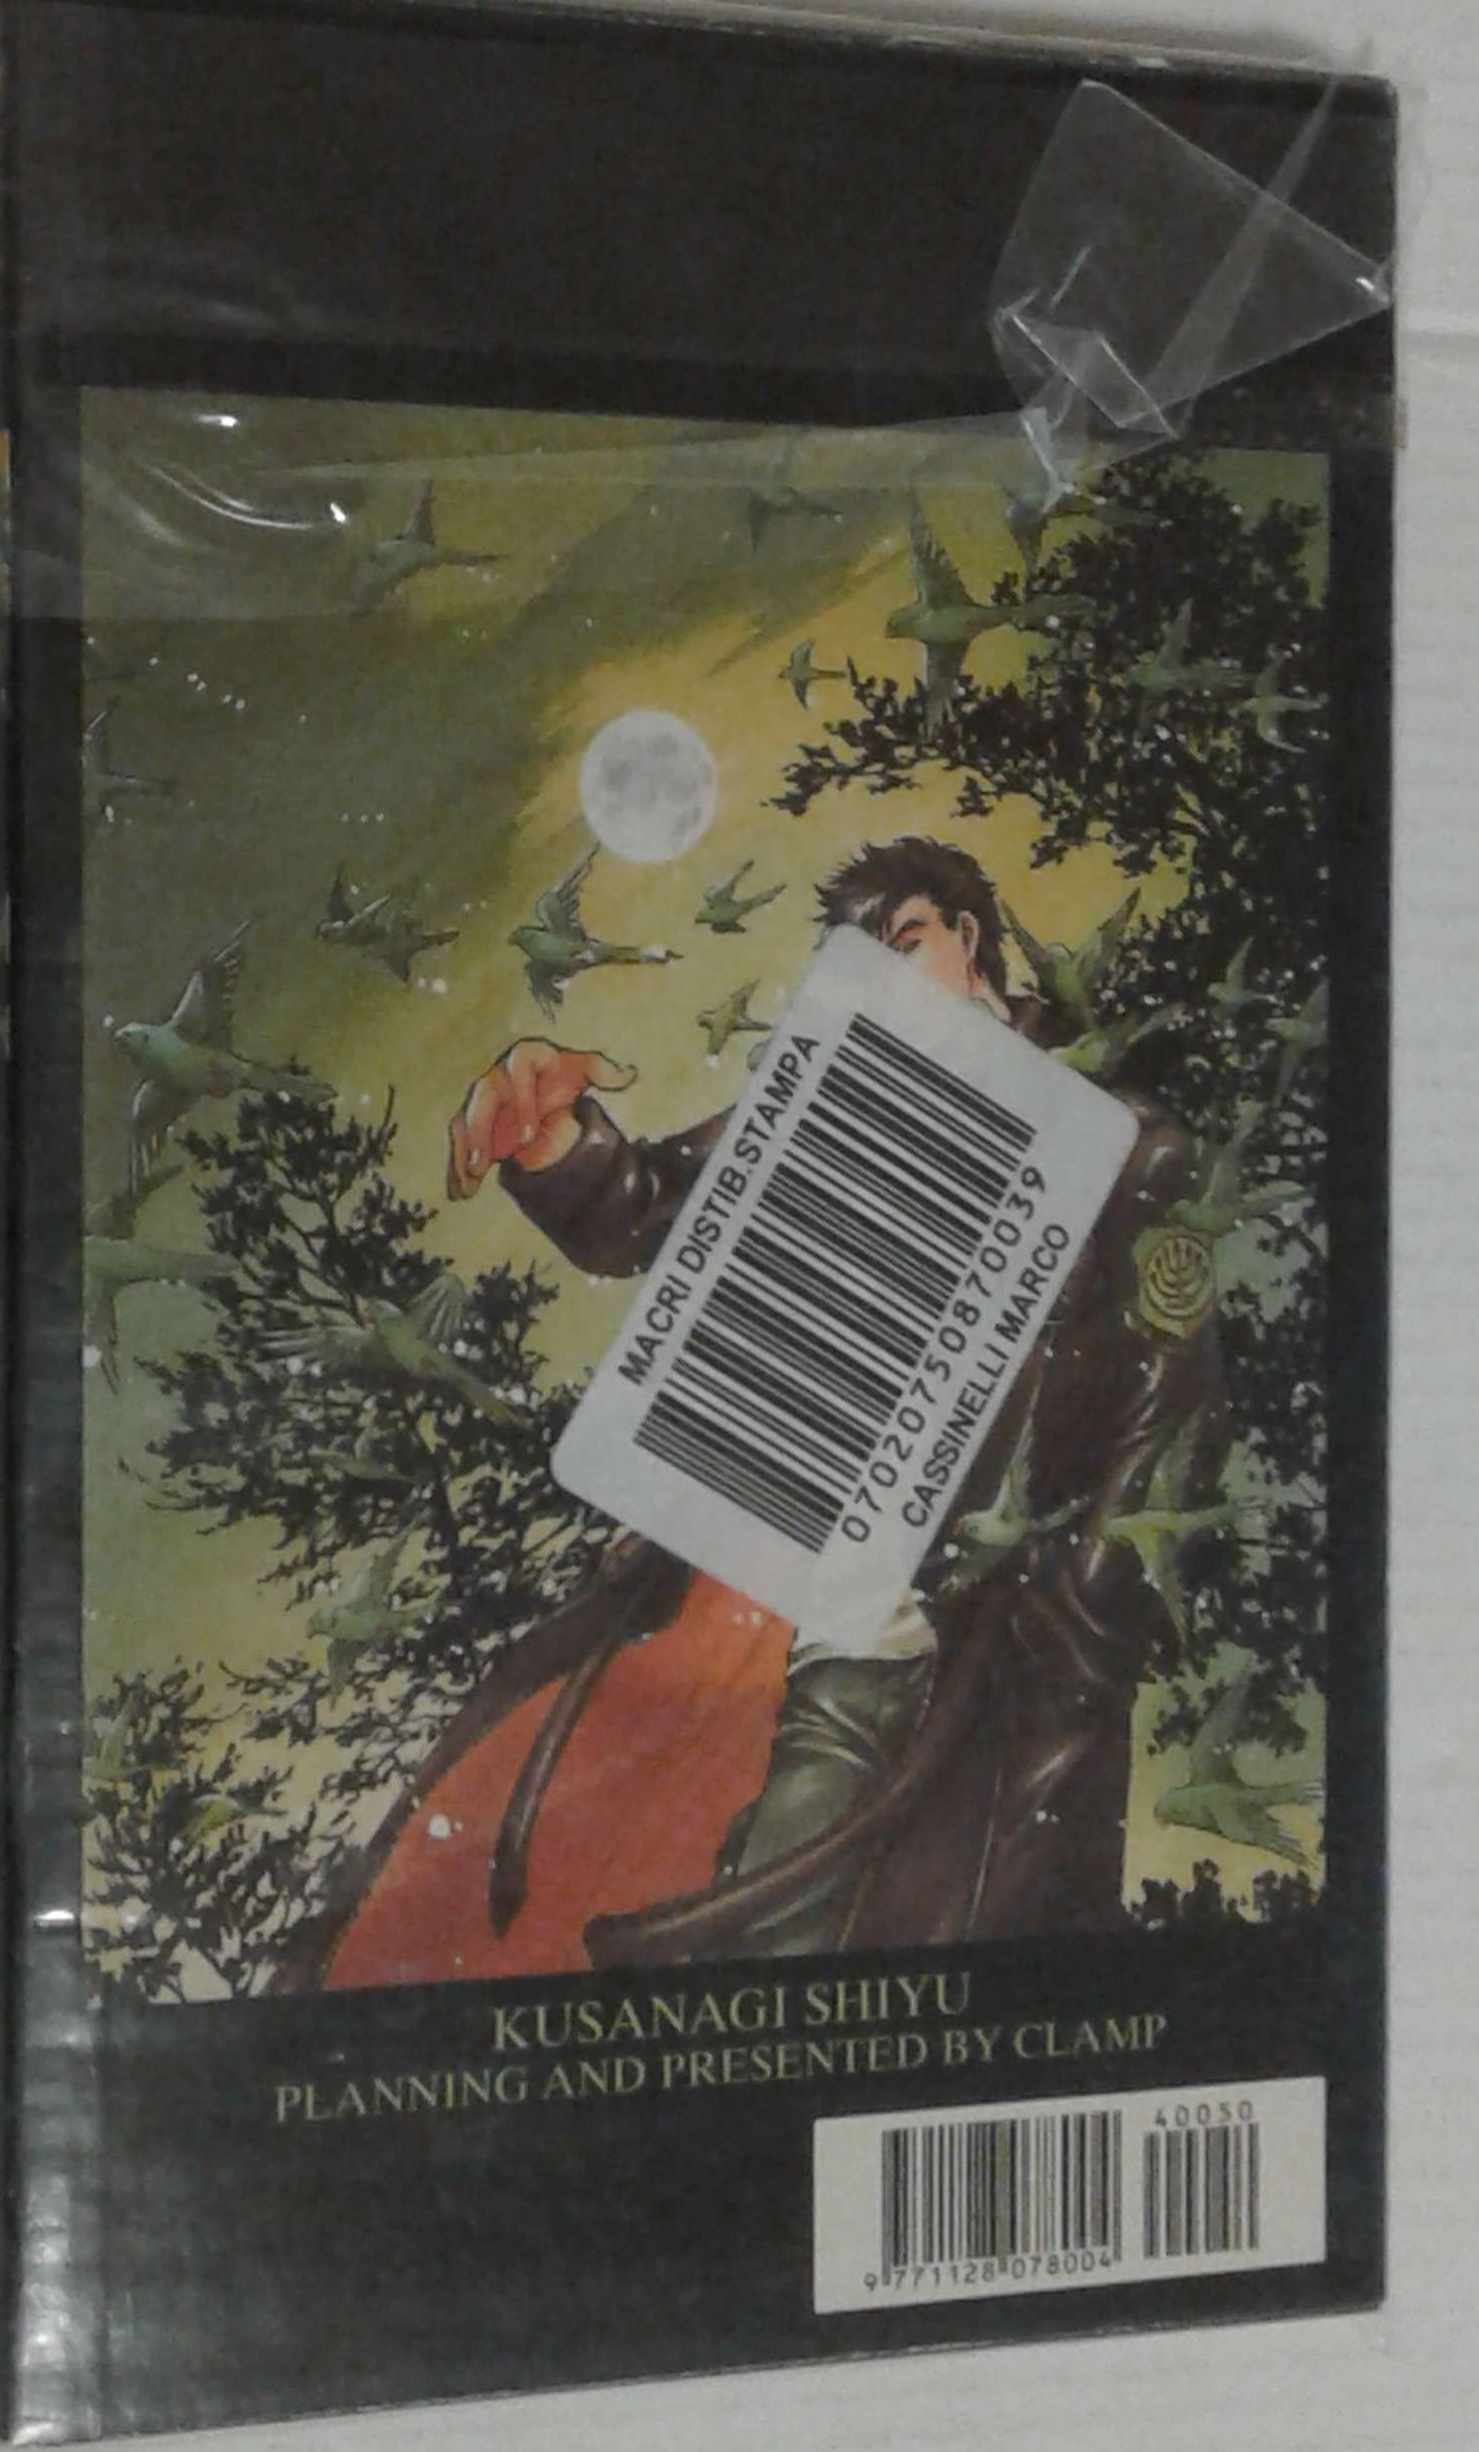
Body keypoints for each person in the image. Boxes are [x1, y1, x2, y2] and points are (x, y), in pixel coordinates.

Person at [282, 837, 1226, 1989]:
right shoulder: (837, 1098)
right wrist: (554, 1138)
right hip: (723, 1574)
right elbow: (652, 1207)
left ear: (969, 936)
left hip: (925, 1624)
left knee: (795, 1919)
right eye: (857, 962)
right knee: (482, 1870)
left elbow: (1160, 1435)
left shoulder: (1123, 1147)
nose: (884, 982)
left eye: (906, 943)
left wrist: (1071, 1638)